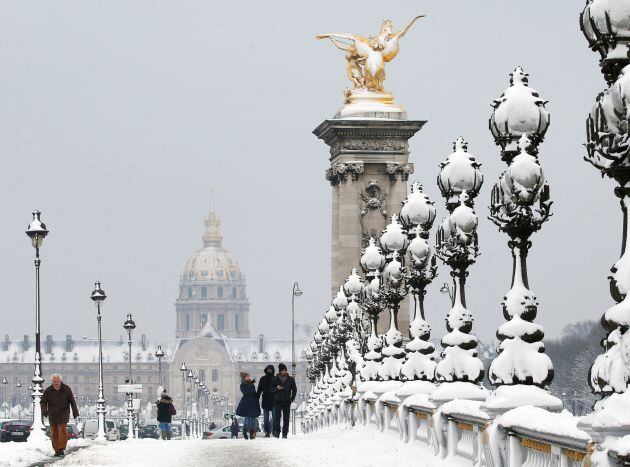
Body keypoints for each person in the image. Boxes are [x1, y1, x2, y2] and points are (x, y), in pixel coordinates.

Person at [41, 374, 79, 457]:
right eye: (54, 381)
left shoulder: (66, 389)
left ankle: (61, 448)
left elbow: (72, 401)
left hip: (63, 413)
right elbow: (43, 402)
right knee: (54, 432)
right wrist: (45, 411)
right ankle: (56, 450)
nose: (56, 383)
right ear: (52, 382)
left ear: (60, 381)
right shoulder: (48, 390)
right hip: (52, 414)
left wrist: (75, 412)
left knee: (62, 430)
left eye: (57, 381)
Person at [272, 363, 297, 439]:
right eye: (283, 370)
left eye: (285, 370)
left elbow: (294, 390)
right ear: (280, 371)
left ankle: (285, 433)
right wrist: (277, 388)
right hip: (277, 401)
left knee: (286, 418)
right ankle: (277, 432)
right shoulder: (275, 379)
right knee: (277, 418)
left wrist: (291, 399)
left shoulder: (290, 379)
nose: (284, 371)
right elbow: (271, 389)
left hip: (286, 401)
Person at [235, 371, 260, 439]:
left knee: (253, 420)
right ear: (244, 378)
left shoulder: (252, 384)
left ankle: (251, 433)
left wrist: (257, 396)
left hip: (253, 403)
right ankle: (245, 431)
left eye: (249, 376)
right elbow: (246, 392)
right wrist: (250, 385)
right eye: (247, 376)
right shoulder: (242, 385)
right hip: (246, 403)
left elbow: (253, 393)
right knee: (247, 420)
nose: (249, 377)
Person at [256, 364, 275, 437]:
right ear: (266, 370)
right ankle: (267, 432)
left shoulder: (275, 378)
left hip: (274, 400)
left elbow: (278, 388)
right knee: (266, 418)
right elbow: (259, 389)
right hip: (265, 400)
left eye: (270, 369)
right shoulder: (262, 379)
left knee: (274, 417)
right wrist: (256, 398)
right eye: (268, 369)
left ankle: (274, 431)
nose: (269, 371)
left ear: (273, 370)